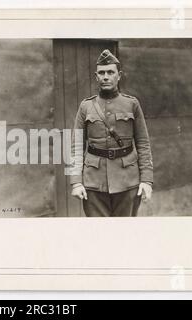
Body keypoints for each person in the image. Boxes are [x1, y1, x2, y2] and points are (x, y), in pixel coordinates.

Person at [69, 49, 153, 217]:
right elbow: (75, 147)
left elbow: (143, 144)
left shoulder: (132, 104)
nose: (105, 76)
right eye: (101, 73)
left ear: (119, 75)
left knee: (124, 236)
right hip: (94, 184)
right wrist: (76, 183)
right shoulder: (86, 107)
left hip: (128, 182)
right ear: (96, 76)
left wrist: (146, 180)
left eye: (110, 72)